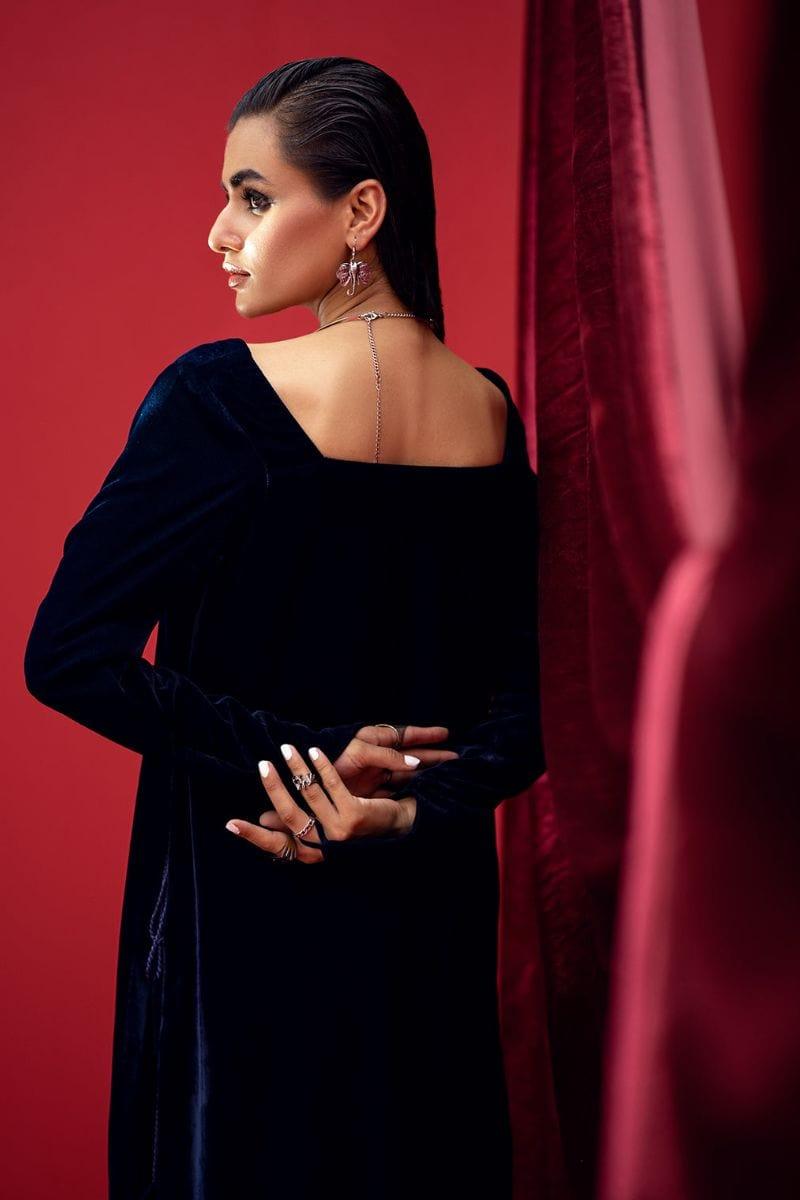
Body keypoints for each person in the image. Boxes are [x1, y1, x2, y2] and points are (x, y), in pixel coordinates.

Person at [23, 56, 545, 1200]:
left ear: (360, 210)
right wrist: (404, 808)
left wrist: (290, 760)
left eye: (253, 198)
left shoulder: (216, 400)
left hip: (247, 938)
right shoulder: (491, 416)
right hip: (424, 941)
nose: (219, 233)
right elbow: (526, 711)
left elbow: (66, 656)